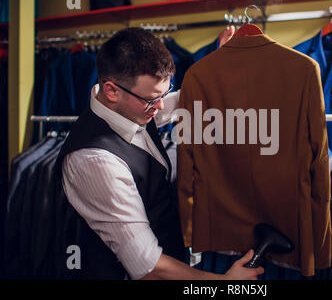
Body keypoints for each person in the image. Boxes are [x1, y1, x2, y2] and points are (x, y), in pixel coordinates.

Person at [56, 27, 263, 280]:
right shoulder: (95, 162)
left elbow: (183, 101)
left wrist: (220, 67)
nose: (161, 105)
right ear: (111, 91)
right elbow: (148, 267)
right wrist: (224, 284)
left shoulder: (131, 109)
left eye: (164, 93)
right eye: (152, 99)